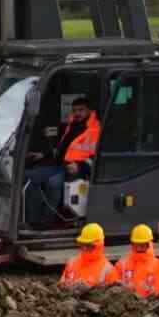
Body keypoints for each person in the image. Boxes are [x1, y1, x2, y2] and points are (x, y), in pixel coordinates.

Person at [24, 96, 101, 225]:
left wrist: (80, 166)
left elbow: (99, 158)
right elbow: (61, 150)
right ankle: (32, 219)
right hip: (61, 166)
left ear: (89, 111)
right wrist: (43, 155)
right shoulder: (71, 126)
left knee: (53, 183)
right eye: (75, 110)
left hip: (78, 171)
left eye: (81, 110)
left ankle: (48, 221)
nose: (77, 113)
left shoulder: (96, 130)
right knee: (28, 176)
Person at [105, 224, 158, 293]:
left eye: (142, 245)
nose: (138, 248)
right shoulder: (122, 264)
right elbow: (111, 280)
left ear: (149, 245)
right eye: (136, 245)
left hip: (149, 303)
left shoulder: (158, 266)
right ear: (132, 244)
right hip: (127, 302)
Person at [60, 223, 113, 288]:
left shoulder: (108, 270)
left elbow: (113, 296)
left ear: (99, 245)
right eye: (82, 244)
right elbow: (61, 287)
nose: (84, 248)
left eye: (88, 245)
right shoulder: (72, 262)